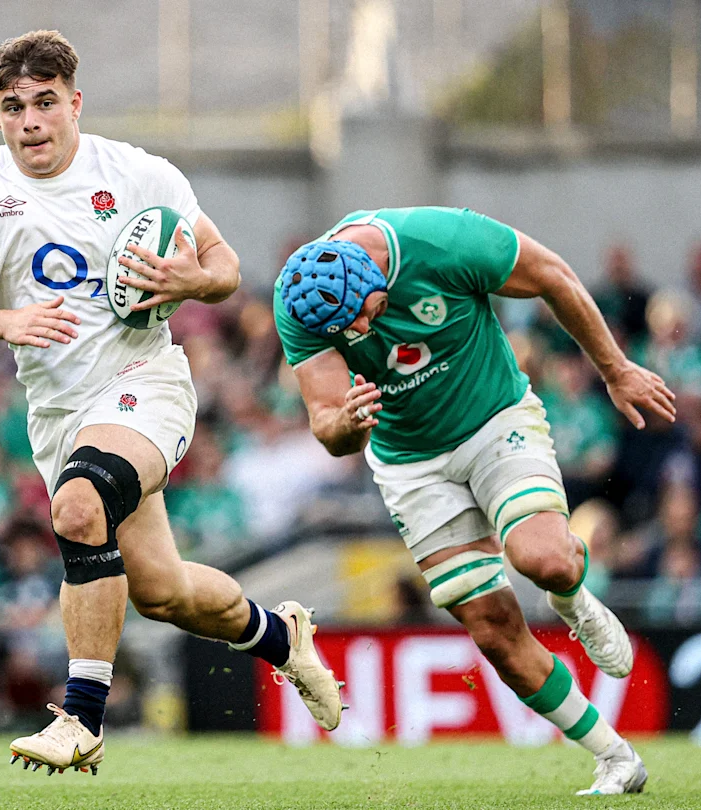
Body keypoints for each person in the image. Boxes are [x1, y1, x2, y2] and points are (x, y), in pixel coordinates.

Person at [0, 30, 342, 776]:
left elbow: (224, 266)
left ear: (74, 104)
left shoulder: (139, 174)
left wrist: (188, 282)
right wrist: (6, 320)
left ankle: (80, 719)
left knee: (80, 506)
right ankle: (283, 639)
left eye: (45, 103)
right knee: (162, 592)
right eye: (13, 108)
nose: (31, 122)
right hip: (59, 413)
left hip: (146, 384)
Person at [275, 207, 677, 795]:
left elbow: (553, 277)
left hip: (494, 420)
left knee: (546, 560)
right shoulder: (305, 303)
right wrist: (351, 422)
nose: (359, 336)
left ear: (377, 277)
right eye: (345, 332)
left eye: (365, 318)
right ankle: (614, 756)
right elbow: (329, 427)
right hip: (411, 464)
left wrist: (614, 369)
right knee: (491, 628)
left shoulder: (441, 241)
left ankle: (577, 603)